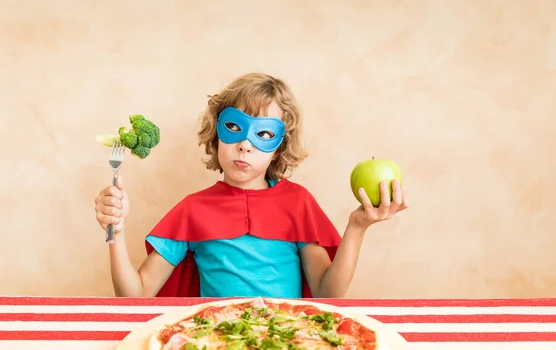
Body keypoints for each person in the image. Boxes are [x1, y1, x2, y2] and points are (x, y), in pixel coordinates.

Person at [94, 73, 408, 299]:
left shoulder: (298, 203)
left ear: (279, 147)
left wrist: (356, 227)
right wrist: (116, 232)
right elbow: (135, 296)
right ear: (217, 134)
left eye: (263, 134)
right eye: (233, 127)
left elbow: (329, 293)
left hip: (286, 346)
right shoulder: (192, 209)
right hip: (213, 347)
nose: (245, 144)